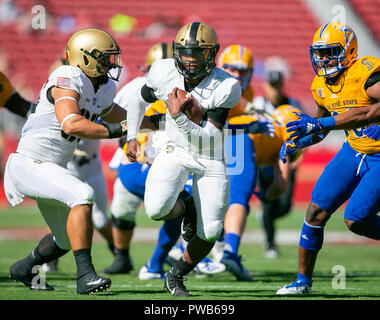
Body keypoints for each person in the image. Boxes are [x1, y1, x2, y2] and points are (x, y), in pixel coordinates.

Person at [4, 28, 129, 294]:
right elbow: (71, 124)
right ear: (85, 58)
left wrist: (155, 123)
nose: (111, 64)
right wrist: (117, 131)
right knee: (83, 194)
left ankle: (24, 268)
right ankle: (86, 276)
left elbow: (115, 113)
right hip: (29, 164)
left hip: (50, 167)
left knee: (64, 238)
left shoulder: (102, 86)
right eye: (105, 58)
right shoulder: (67, 76)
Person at [125, 22, 242, 297]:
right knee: (155, 210)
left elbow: (209, 138)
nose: (190, 59)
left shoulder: (226, 86)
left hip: (210, 156)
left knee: (211, 230)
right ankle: (187, 203)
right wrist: (132, 135)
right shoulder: (164, 71)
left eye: (197, 53)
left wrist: (177, 116)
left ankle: (176, 275)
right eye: (185, 52)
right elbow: (137, 101)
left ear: (212, 54)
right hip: (173, 149)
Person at [277, 22, 380, 295]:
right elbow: (322, 126)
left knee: (356, 220)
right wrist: (298, 141)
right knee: (315, 212)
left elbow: (367, 113)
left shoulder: (365, 74)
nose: (323, 59)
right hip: (354, 148)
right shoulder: (319, 85)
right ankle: (302, 282)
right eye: (319, 53)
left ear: (348, 51)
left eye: (330, 52)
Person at [252, 69, 304, 258]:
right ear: (265, 86)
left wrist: (300, 156)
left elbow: (304, 134)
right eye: (271, 85)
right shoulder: (258, 104)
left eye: (278, 85)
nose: (275, 90)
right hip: (265, 159)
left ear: (282, 86)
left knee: (284, 206)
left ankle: (266, 218)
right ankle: (270, 244)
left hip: (286, 157)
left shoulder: (293, 104)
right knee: (267, 201)